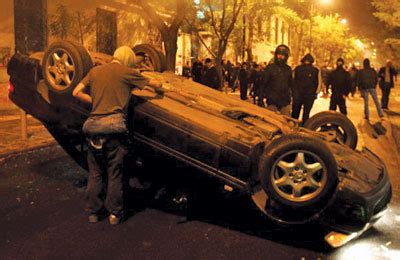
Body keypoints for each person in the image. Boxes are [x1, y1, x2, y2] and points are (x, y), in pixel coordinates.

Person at [72, 46, 163, 225]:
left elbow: (76, 92)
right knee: (114, 173)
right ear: (128, 60)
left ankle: (94, 213)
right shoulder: (127, 72)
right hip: (114, 128)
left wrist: (96, 101)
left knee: (96, 172)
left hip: (92, 128)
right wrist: (161, 85)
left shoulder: (95, 71)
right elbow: (155, 85)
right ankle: (114, 214)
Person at [261, 44, 293, 116]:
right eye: (279, 54)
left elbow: (292, 85)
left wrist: (295, 98)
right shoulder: (270, 68)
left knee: (286, 123)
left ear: (286, 56)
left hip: (285, 101)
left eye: (283, 55)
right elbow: (263, 84)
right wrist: (260, 100)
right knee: (270, 122)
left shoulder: (288, 69)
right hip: (272, 100)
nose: (280, 57)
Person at [292, 53, 320, 124]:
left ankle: (293, 127)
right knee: (306, 113)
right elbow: (318, 82)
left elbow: (293, 81)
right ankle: (305, 127)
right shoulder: (315, 70)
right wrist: (316, 92)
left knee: (295, 112)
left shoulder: (297, 68)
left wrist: (293, 92)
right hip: (309, 95)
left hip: (299, 95)